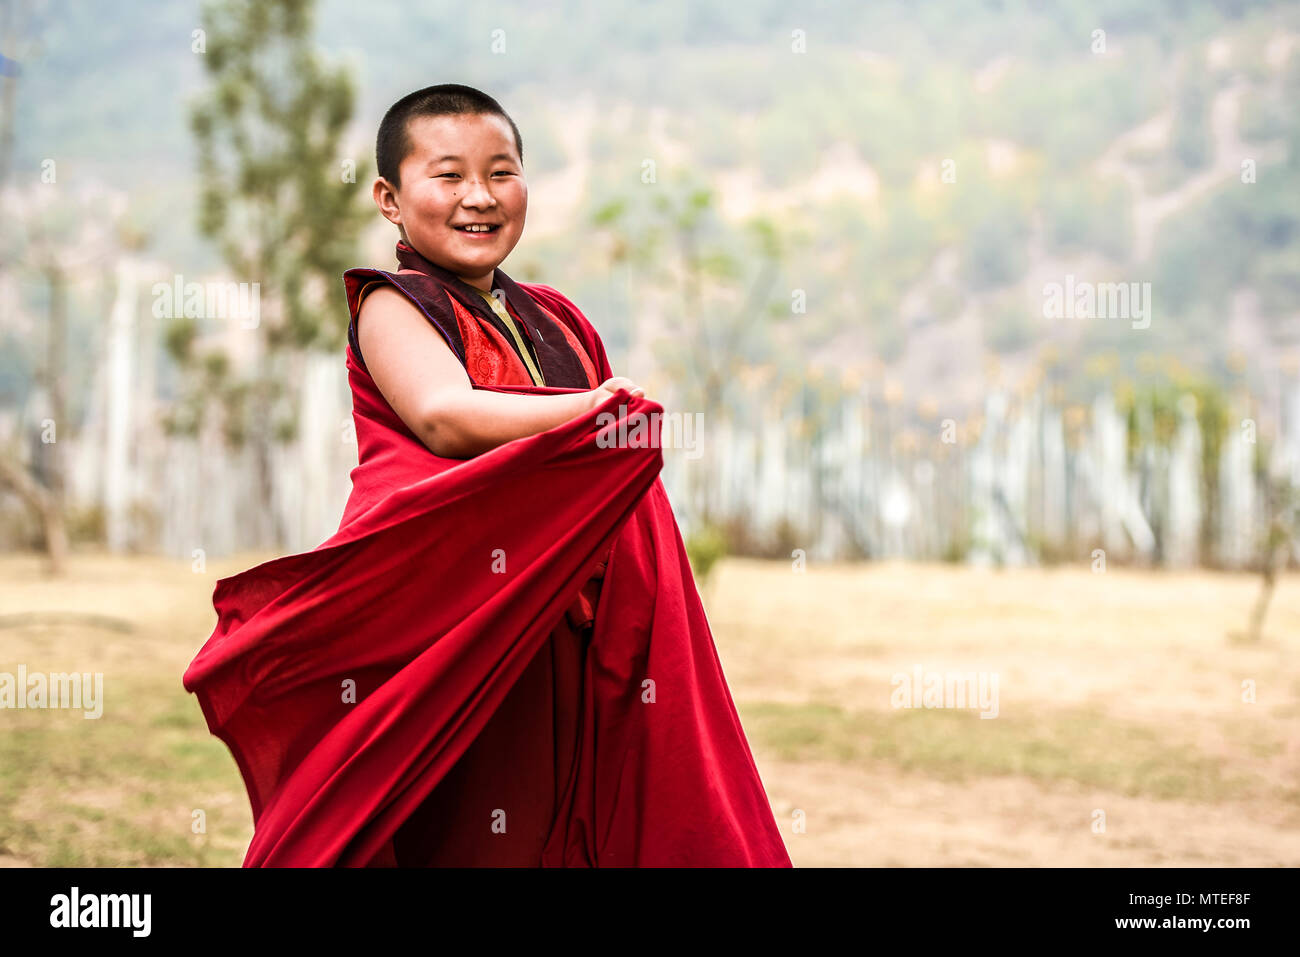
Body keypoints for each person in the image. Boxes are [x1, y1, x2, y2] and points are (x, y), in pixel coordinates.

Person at [183, 83, 792, 867]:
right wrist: (589, 411)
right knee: (480, 829)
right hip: (464, 631)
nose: (479, 196)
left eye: (502, 172)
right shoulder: (391, 305)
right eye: (448, 175)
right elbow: (445, 411)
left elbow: (600, 482)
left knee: (583, 819)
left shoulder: (559, 317)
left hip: (566, 623)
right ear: (390, 199)